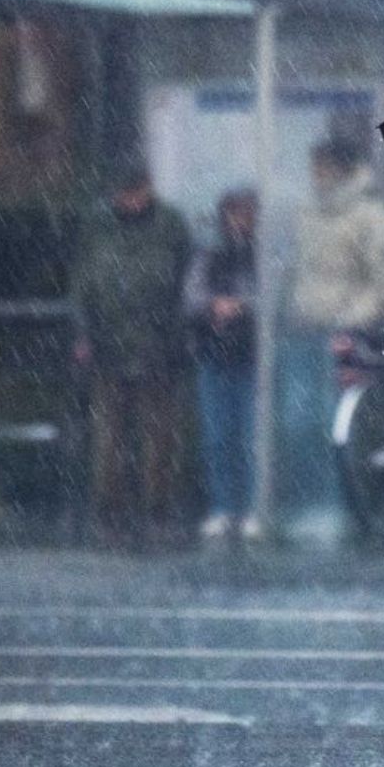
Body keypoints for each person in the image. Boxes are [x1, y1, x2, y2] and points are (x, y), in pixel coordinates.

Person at [69, 162, 193, 550]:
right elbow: (83, 284)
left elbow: (182, 284)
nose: (129, 201)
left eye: (134, 192)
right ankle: (111, 514)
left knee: (159, 439)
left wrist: (175, 333)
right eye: (124, 193)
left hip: (158, 347)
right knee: (110, 439)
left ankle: (158, 510)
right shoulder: (98, 226)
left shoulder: (170, 226)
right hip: (110, 346)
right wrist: (84, 333)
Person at [283, 137, 384, 543]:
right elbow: (293, 268)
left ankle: (332, 507)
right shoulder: (306, 212)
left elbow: (382, 279)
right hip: (302, 331)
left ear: (342, 168)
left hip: (342, 336)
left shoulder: (369, 214)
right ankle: (303, 504)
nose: (316, 176)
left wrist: (349, 320)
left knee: (333, 422)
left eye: (323, 167)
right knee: (297, 422)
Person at [183, 189, 261, 542]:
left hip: (250, 355)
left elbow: (271, 295)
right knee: (218, 436)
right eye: (234, 213)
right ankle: (222, 507)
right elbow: (191, 298)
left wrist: (241, 306)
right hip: (214, 354)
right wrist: (214, 306)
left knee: (249, 435)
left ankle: (251, 507)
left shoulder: (261, 253)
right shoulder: (210, 253)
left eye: (245, 213)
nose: (240, 220)